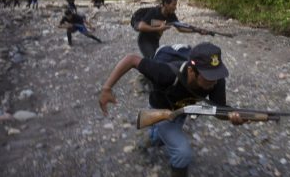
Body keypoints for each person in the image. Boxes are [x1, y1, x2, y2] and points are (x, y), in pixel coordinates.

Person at [98, 42, 245, 177]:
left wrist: (232, 117)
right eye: (208, 78)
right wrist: (106, 88)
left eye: (216, 75)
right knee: (183, 153)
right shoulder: (165, 73)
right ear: (191, 71)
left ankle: (151, 139)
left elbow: (219, 110)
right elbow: (131, 59)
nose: (213, 82)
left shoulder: (216, 79)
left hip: (181, 110)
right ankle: (155, 139)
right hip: (159, 108)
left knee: (164, 134)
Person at [135, 0, 203, 59]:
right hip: (144, 40)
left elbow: (180, 28)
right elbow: (141, 26)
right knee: (153, 60)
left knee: (157, 60)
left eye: (175, 5)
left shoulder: (171, 15)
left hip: (155, 41)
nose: (175, 7)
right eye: (173, 5)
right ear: (166, 4)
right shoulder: (154, 11)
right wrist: (159, 29)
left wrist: (197, 30)